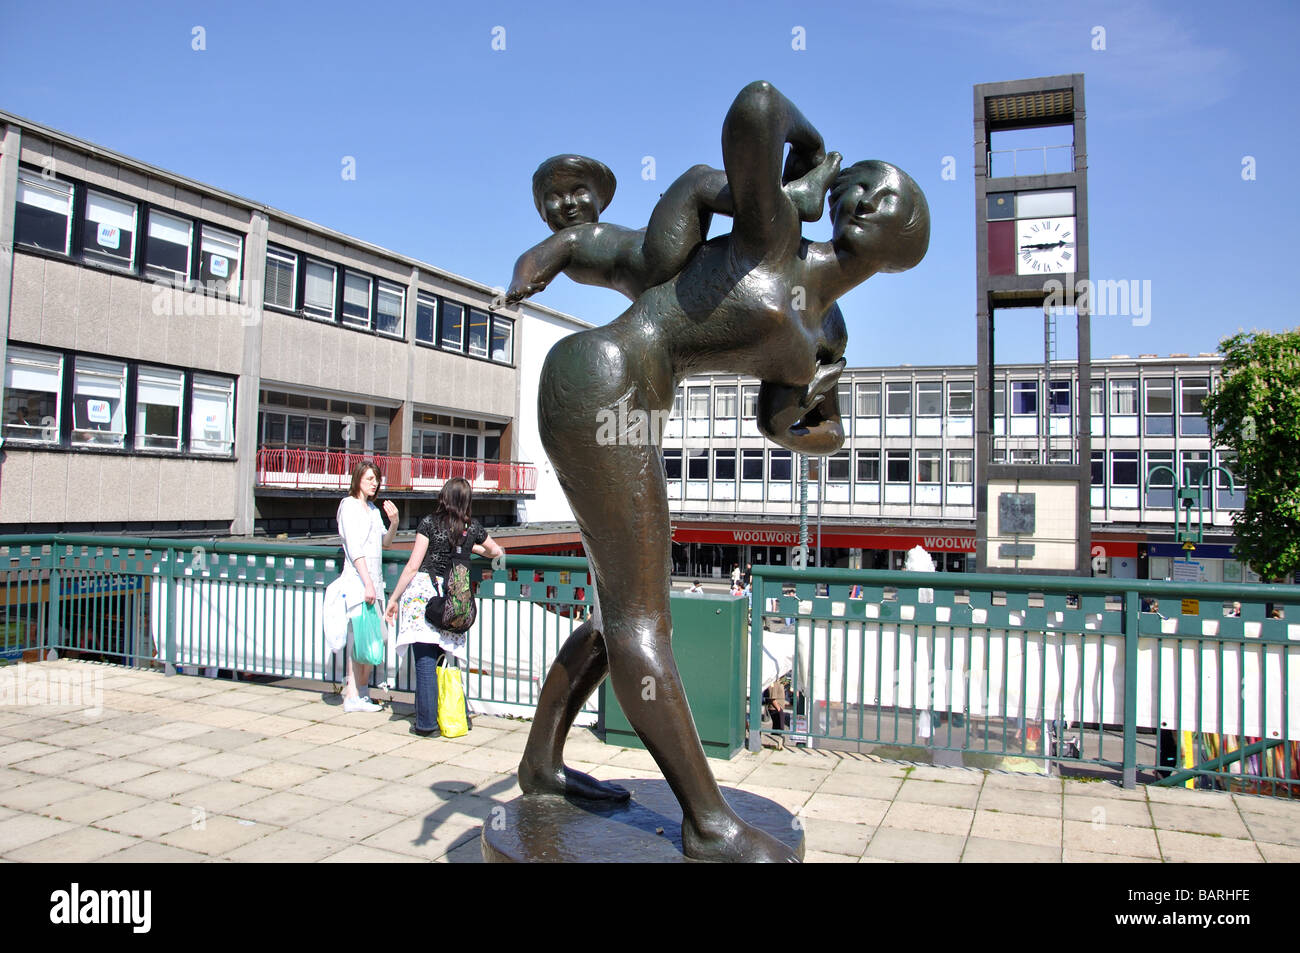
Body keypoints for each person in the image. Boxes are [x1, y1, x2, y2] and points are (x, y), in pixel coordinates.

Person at [517, 81, 929, 863]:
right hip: (601, 375)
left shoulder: (825, 328)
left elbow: (778, 425)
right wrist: (805, 157)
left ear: (908, 245)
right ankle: (706, 822)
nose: (873, 199)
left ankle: (541, 762)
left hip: (633, 401)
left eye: (895, 201)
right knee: (643, 623)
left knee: (622, 615)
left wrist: (824, 429)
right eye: (867, 184)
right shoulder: (775, 232)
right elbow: (757, 106)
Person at [505, 149, 843, 306]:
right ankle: (791, 198)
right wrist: (521, 282)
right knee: (695, 180)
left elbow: (634, 239)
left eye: (579, 192)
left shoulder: (604, 235)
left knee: (696, 183)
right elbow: (532, 259)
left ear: (598, 201)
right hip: (652, 266)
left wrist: (665, 211)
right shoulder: (570, 240)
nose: (567, 203)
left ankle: (777, 194)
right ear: (542, 213)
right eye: (554, 197)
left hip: (656, 258)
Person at [384, 477, 503, 736]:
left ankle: (426, 724)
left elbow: (413, 566)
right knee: (443, 658)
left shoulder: (429, 523)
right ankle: (449, 716)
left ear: (444, 497)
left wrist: (393, 599)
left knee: (425, 659)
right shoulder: (471, 528)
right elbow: (496, 551)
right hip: (453, 596)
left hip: (424, 595)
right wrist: (472, 548)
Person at [336, 461, 399, 713]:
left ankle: (360, 693)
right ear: (358, 479)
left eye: (376, 479)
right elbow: (354, 548)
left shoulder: (372, 509)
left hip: (373, 580)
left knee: (374, 638)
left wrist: (394, 522)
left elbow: (386, 543)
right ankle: (353, 694)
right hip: (358, 582)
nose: (374, 483)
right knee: (359, 636)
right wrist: (368, 583)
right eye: (370, 478)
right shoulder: (349, 506)